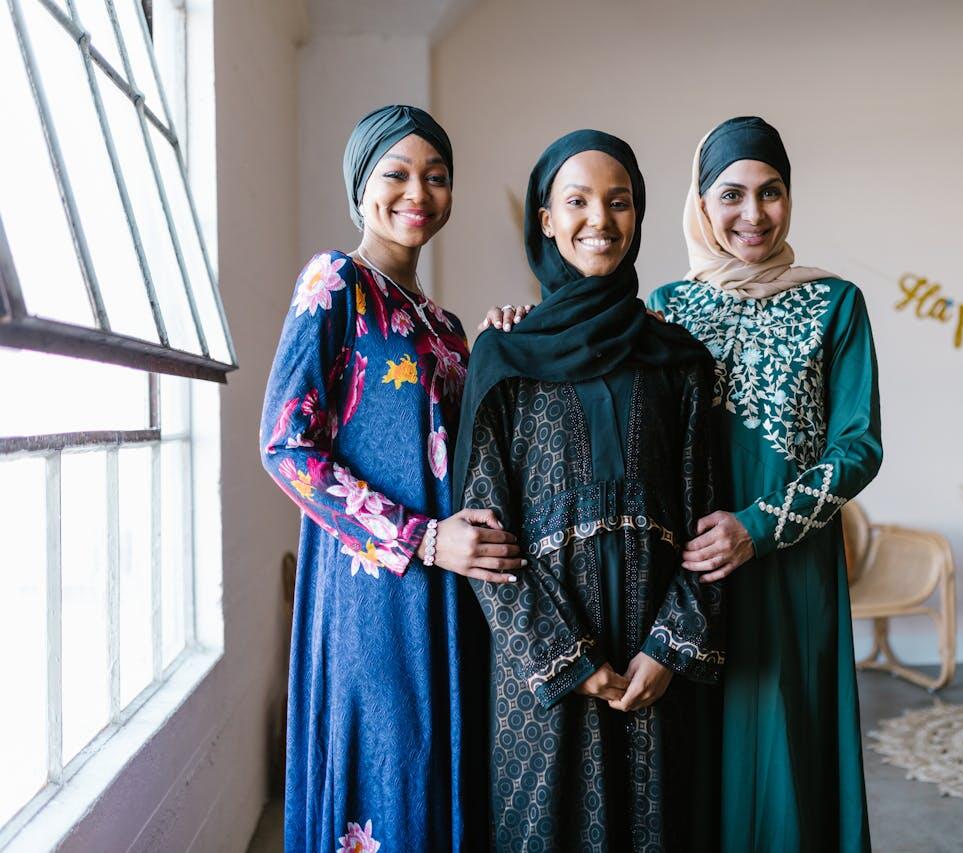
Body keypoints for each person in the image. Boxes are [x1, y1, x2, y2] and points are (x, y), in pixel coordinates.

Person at [260, 105, 522, 853]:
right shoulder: (335, 281)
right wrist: (421, 537)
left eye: (436, 177)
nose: (419, 192)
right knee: (382, 785)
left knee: (438, 775)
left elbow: (463, 450)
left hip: (450, 592)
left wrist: (501, 346)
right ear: (360, 184)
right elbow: (285, 446)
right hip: (372, 594)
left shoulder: (446, 324)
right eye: (397, 173)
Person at [454, 130, 724, 852]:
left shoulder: (678, 360)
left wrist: (670, 647)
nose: (598, 220)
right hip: (540, 680)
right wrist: (565, 660)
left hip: (653, 664)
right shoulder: (503, 356)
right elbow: (481, 535)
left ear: (638, 217)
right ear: (545, 219)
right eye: (576, 201)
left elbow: (707, 523)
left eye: (619, 201)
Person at [648, 116, 883, 852]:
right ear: (700, 202)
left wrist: (759, 526)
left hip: (790, 565)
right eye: (731, 194)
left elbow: (859, 446)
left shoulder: (834, 302)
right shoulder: (663, 310)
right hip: (691, 574)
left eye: (771, 191)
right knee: (697, 759)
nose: (753, 213)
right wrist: (522, 325)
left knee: (788, 760)